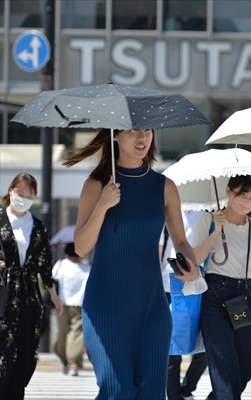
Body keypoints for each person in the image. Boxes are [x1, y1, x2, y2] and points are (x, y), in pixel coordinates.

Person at [64, 128, 199, 399]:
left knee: (151, 393)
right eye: (132, 132)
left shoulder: (164, 186)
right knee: (118, 390)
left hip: (152, 308)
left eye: (147, 131)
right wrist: (103, 205)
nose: (142, 138)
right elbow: (80, 246)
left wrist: (191, 267)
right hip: (106, 306)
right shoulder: (96, 185)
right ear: (115, 135)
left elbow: (181, 242)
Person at [196, 175, 251, 400]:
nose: (247, 202)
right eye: (242, 195)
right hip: (214, 297)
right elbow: (195, 258)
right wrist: (215, 232)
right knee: (223, 368)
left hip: (243, 297)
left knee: (242, 372)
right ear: (228, 192)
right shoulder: (208, 220)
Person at [0, 173, 64, 399]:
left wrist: (53, 294)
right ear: (11, 191)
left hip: (27, 294)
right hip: (2, 292)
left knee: (25, 351)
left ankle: (16, 393)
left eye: (29, 195)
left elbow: (44, 263)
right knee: (3, 347)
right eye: (20, 193)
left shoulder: (37, 226)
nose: (23, 199)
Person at [159, 209, 208, 400]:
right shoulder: (166, 214)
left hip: (198, 285)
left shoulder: (209, 214)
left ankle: (187, 387)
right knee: (171, 346)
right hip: (166, 286)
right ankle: (174, 394)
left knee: (205, 342)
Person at [52, 242, 91, 376]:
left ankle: (69, 362)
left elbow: (52, 281)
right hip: (79, 305)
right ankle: (72, 362)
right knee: (75, 334)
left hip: (61, 304)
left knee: (63, 333)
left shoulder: (60, 265)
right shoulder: (86, 267)